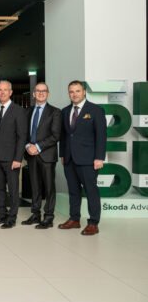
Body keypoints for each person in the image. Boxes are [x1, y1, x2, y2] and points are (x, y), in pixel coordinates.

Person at [58, 80, 106, 236]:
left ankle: (93, 223)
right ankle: (74, 219)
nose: (74, 94)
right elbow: (64, 136)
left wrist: (99, 157)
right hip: (69, 159)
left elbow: (101, 136)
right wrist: (62, 155)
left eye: (77, 91)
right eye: (71, 92)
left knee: (91, 191)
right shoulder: (65, 111)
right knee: (73, 191)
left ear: (84, 92)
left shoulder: (96, 110)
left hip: (88, 159)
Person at [0, 80, 27, 229]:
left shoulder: (18, 110)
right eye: (0, 90)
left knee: (13, 189)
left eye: (5, 90)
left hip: (11, 158)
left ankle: (12, 217)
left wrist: (18, 158)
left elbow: (22, 136)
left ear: (11, 92)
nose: (2, 92)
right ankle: (2, 214)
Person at [22, 82, 61, 229]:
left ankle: (49, 217)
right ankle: (35, 214)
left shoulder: (55, 112)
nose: (41, 93)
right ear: (33, 94)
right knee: (35, 186)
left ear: (48, 94)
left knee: (49, 187)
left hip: (47, 155)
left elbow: (55, 135)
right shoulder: (27, 111)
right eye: (38, 91)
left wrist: (37, 147)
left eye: (44, 91)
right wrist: (28, 146)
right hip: (31, 155)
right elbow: (24, 133)